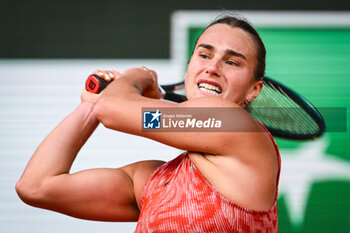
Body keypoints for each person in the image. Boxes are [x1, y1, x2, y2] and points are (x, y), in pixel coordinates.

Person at [16, 15, 280, 232]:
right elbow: (36, 186)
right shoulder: (154, 180)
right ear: (189, 69)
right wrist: (89, 107)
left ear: (253, 91)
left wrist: (140, 75)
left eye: (232, 61)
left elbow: (113, 110)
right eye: (204, 55)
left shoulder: (235, 125)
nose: (213, 67)